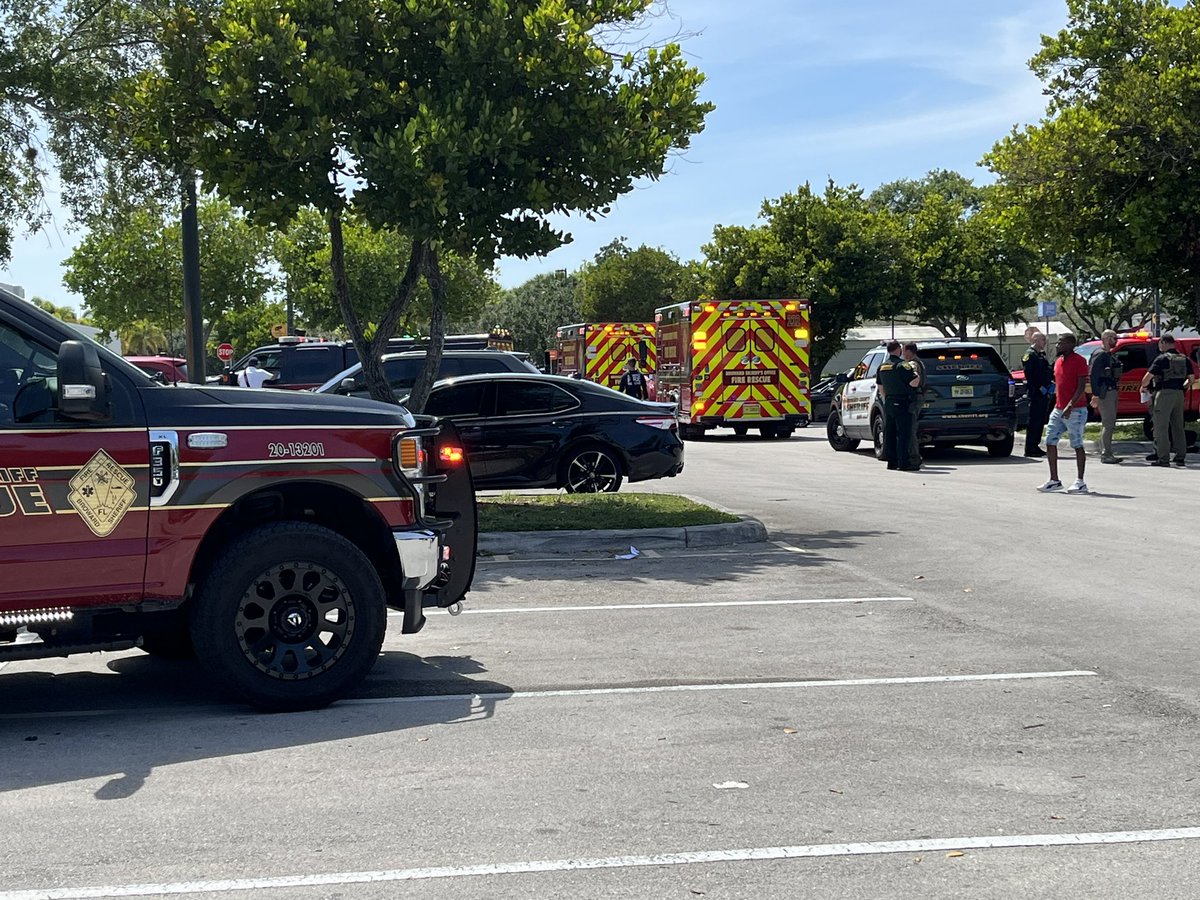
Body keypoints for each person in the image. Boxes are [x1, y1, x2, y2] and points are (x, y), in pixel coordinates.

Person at [1038, 333, 1090, 494]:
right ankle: (1054, 480)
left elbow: (1081, 387)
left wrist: (1070, 405)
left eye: (1061, 343)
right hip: (1059, 408)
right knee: (1050, 441)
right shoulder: (1058, 362)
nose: (1057, 345)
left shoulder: (1080, 361)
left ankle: (1080, 481)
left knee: (1077, 444)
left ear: (1070, 344)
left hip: (1076, 410)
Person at [1140, 334, 1193, 467]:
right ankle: (1180, 456)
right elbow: (1191, 379)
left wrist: (1144, 387)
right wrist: (1183, 387)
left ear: (1163, 342)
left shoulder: (1162, 359)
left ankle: (1163, 458)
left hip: (1163, 394)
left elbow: (1146, 379)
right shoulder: (1184, 359)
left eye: (1160, 344)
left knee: (1160, 426)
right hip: (1179, 394)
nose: (1159, 346)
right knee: (1178, 426)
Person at [876, 340, 921, 471]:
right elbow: (914, 382)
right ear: (898, 350)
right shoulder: (902, 365)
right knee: (904, 434)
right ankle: (904, 463)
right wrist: (916, 374)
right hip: (902, 402)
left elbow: (881, 388)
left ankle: (892, 462)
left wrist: (888, 398)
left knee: (890, 433)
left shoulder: (882, 366)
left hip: (889, 402)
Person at [1088, 329, 1123, 464]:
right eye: (1114, 338)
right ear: (1107, 338)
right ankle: (1106, 454)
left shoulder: (1109, 355)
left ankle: (1108, 452)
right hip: (1105, 392)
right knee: (1108, 423)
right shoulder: (1100, 354)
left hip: (1111, 390)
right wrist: (1095, 394)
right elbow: (1094, 375)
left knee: (1110, 423)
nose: (1116, 340)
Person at [1022, 331, 1052, 458]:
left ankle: (1035, 445)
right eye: (1043, 340)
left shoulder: (1040, 355)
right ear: (1035, 340)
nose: (1044, 342)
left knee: (1040, 420)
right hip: (1036, 393)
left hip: (1043, 392)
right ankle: (1030, 447)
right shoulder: (1030, 355)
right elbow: (1030, 375)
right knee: (1034, 420)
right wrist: (1039, 387)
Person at [901, 342, 926, 469]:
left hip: (914, 398)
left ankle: (914, 458)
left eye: (904, 350)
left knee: (910, 429)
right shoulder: (918, 362)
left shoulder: (913, 364)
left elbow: (915, 378)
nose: (902, 353)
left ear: (909, 351)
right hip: (917, 397)